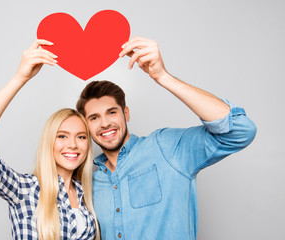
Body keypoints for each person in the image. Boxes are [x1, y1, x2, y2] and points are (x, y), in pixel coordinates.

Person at [76, 36, 257, 239]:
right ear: (86, 125)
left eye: (112, 112)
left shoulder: (167, 148)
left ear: (126, 113)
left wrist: (163, 76)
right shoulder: (87, 182)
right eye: (94, 118)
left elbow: (240, 130)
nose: (105, 123)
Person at [0, 40, 100, 240]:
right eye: (62, 136)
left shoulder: (87, 196)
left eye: (81, 137)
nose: (72, 144)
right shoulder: (25, 189)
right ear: (49, 142)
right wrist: (20, 78)